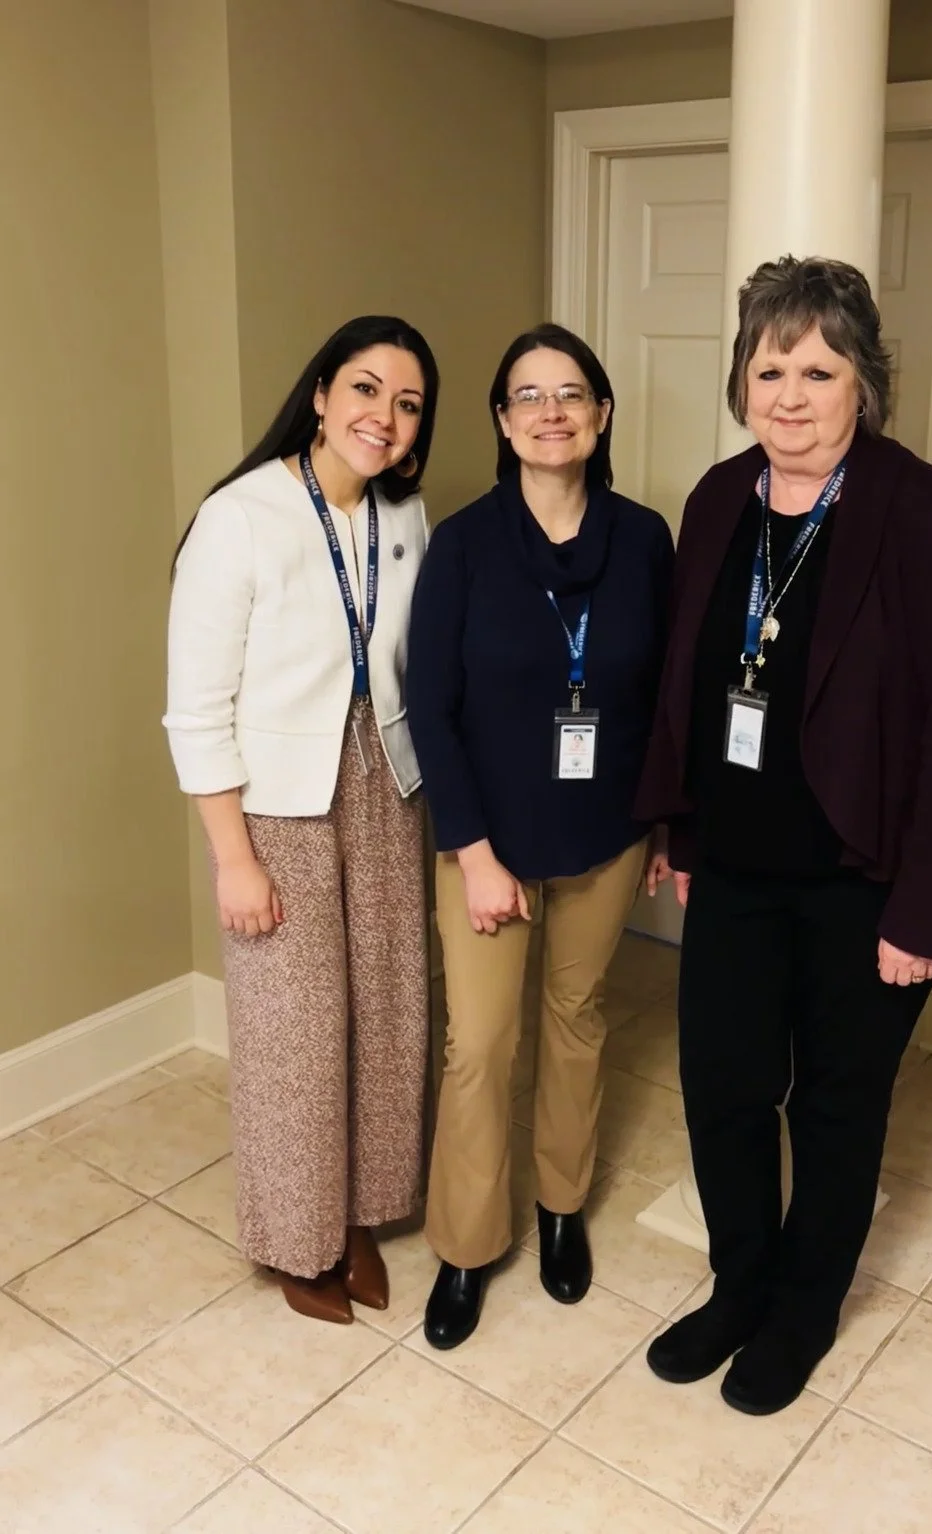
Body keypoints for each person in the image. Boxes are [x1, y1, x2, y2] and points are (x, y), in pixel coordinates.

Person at [637, 257, 932, 1414]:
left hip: (863, 879)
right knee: (723, 1088)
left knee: (835, 1109)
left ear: (863, 382)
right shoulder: (718, 498)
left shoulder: (917, 508)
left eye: (817, 370)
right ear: (740, 383)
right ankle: (740, 1284)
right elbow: (685, 685)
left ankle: (802, 1312)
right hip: (734, 867)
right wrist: (681, 831)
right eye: (769, 370)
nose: (789, 396)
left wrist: (922, 910)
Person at [164, 315, 439, 1325]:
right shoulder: (237, 517)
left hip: (386, 783)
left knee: (388, 1012)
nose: (383, 417)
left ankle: (358, 1210)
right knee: (295, 1032)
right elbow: (195, 708)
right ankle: (297, 1236)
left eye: (407, 404)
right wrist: (233, 860)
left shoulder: (405, 517)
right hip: (276, 804)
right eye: (365, 389)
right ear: (320, 396)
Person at [407, 323, 674, 1349]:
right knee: (479, 1044)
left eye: (570, 393)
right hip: (490, 844)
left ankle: (561, 1207)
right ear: (502, 420)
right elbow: (431, 709)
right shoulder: (464, 544)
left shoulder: (643, 539)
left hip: (606, 833)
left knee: (576, 1016)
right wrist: (473, 852)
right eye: (527, 395)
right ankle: (467, 1245)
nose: (549, 411)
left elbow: (665, 697)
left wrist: (662, 820)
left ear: (600, 414)